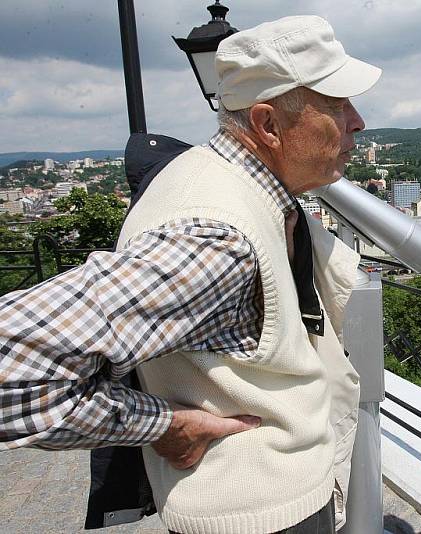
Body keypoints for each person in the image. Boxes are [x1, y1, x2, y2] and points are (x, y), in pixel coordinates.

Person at [0, 15, 381, 534]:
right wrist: (161, 425)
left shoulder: (205, 175)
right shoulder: (215, 236)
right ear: (269, 125)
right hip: (259, 509)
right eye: (337, 106)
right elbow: (12, 367)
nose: (357, 121)